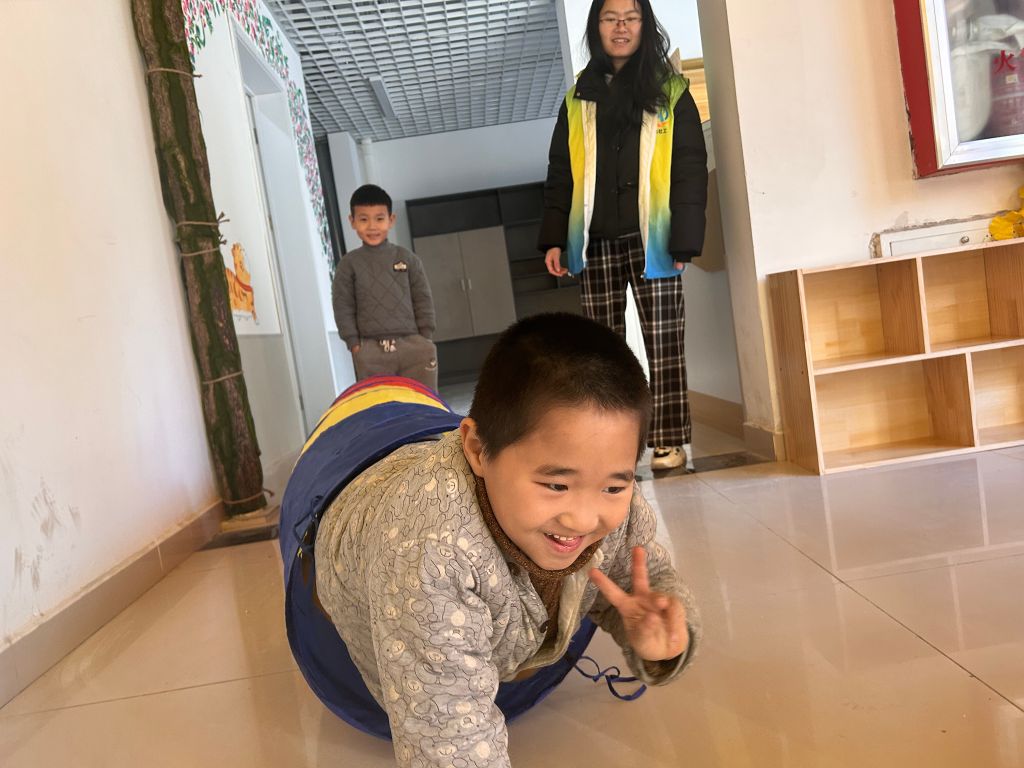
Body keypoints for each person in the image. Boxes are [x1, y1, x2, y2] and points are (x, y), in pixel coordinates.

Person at [280, 313, 700, 768]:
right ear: (478, 450)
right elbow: (446, 738)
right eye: (556, 485)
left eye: (614, 486)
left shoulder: (618, 509)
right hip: (364, 520)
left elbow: (645, 581)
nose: (583, 518)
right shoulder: (431, 551)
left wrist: (661, 645)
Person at [538, 0, 708, 472]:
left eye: (631, 18)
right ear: (596, 27)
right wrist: (555, 237)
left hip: (655, 238)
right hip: (593, 242)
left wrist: (686, 238)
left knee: (664, 342)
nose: (620, 27)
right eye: (610, 18)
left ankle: (668, 440)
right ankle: (610, 448)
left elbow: (689, 168)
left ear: (644, 25)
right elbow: (560, 172)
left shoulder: (672, 92)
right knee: (602, 355)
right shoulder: (577, 98)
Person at [332, 183, 438, 390]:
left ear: (391, 220)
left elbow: (423, 299)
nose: (372, 226)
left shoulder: (407, 258)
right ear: (352, 222)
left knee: (423, 402)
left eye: (379, 219)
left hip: (414, 347)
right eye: (364, 219)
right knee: (382, 405)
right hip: (371, 351)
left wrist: (425, 337)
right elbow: (343, 306)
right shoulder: (348, 264)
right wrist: (355, 345)